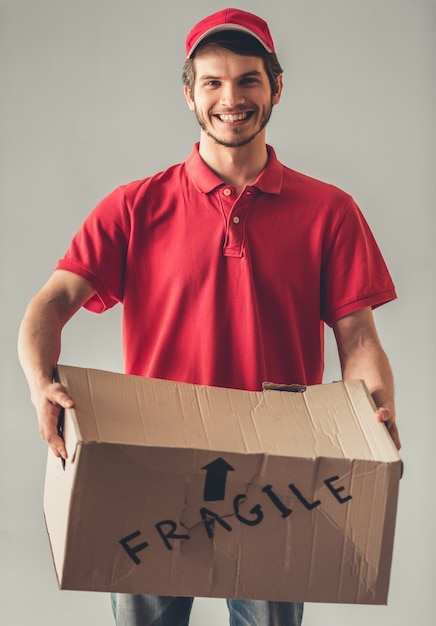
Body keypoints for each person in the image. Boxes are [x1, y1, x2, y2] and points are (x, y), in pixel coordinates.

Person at [18, 7, 401, 626]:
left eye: (249, 80)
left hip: (280, 475)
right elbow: (50, 303)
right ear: (190, 93)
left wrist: (372, 406)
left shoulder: (331, 211)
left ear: (277, 87)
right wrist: (41, 385)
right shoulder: (135, 207)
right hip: (151, 468)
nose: (232, 98)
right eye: (213, 82)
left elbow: (357, 337)